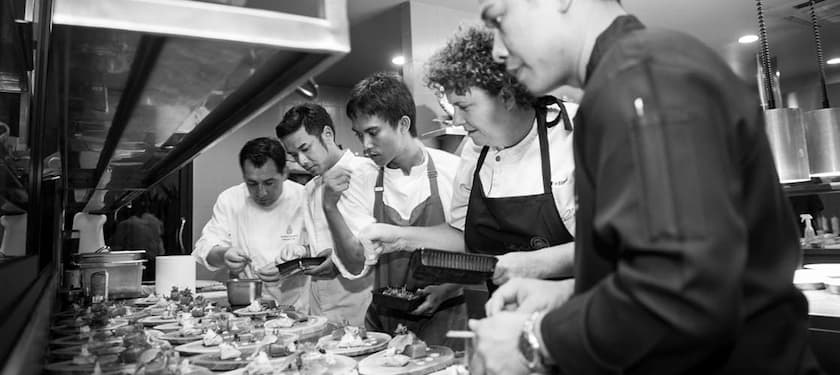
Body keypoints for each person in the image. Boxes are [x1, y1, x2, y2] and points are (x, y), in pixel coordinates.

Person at [466, 0, 823, 374]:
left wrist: (534, 340)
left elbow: (682, 293)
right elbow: (686, 263)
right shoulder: (625, 81)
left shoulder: (641, 78)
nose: (497, 50)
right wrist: (567, 295)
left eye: (499, 20)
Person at [358, 26, 577, 294]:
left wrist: (537, 263)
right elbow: (462, 236)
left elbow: (621, 244)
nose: (458, 121)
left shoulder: (577, 135)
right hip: (503, 314)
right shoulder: (474, 151)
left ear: (506, 96)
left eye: (464, 107)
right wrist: (398, 238)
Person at [323, 72, 466, 348]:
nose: (365, 146)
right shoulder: (361, 178)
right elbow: (355, 263)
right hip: (385, 321)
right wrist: (329, 207)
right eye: (359, 134)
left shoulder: (454, 170)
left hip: (447, 316)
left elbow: (474, 245)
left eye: (373, 133)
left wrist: (446, 290)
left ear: (403, 124)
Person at [276, 103, 375, 326]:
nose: (301, 161)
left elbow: (381, 243)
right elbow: (316, 242)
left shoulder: (366, 172)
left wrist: (338, 264)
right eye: (293, 155)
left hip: (361, 305)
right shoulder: (310, 188)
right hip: (321, 306)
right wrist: (299, 252)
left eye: (305, 148)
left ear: (327, 134)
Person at [192, 137, 309, 310]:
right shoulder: (230, 200)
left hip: (296, 307)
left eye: (269, 183)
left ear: (284, 172)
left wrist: (296, 260)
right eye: (252, 184)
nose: (261, 193)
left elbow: (323, 251)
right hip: (245, 307)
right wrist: (225, 254)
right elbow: (205, 249)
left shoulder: (304, 197)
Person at [110, 195, 164, 280]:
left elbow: (116, 248)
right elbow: (160, 247)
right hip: (154, 263)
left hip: (133, 265)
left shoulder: (125, 224)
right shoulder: (155, 221)